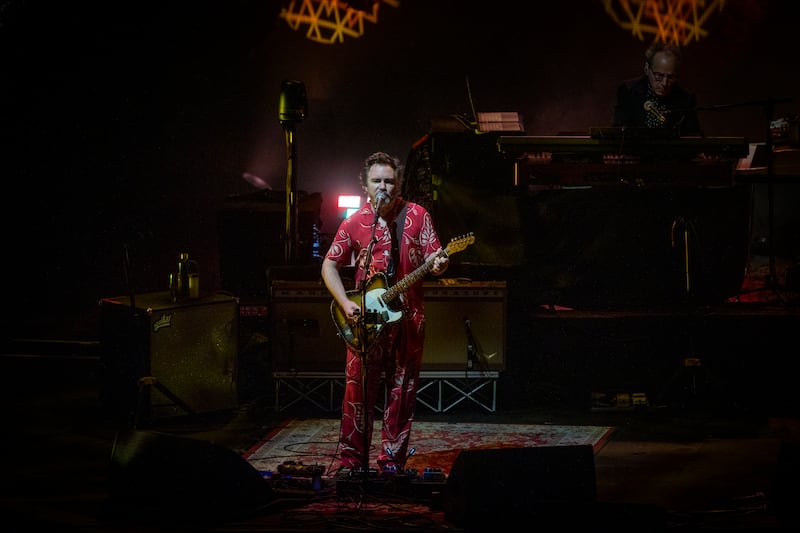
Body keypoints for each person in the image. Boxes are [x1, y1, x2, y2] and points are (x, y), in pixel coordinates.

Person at [321, 151, 449, 474]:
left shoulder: (418, 216)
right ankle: (353, 463)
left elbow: (436, 260)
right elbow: (329, 265)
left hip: (408, 321)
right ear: (365, 186)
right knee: (357, 390)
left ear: (399, 183)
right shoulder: (355, 222)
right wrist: (346, 303)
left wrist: (439, 264)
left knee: (402, 391)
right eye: (376, 181)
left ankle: (391, 461)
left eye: (389, 181)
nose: (383, 187)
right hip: (365, 321)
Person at [612, 41, 702, 136]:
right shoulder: (628, 91)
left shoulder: (686, 99)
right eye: (659, 75)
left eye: (670, 77)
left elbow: (693, 135)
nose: (664, 83)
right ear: (647, 69)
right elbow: (619, 131)